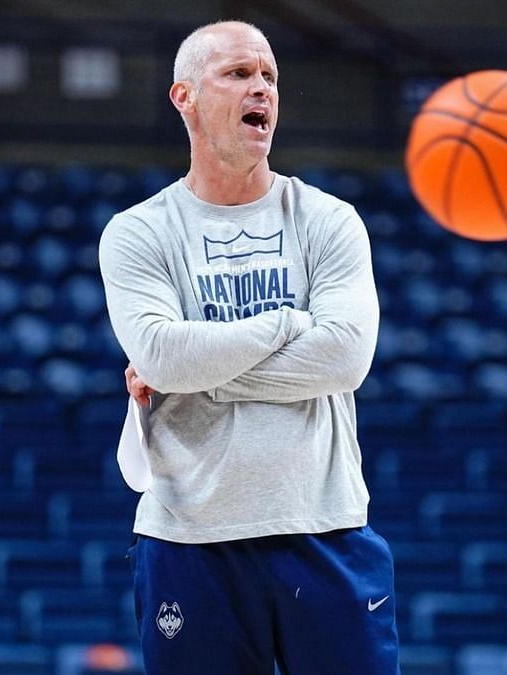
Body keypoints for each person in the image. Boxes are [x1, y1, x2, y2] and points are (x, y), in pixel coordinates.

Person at [98, 21, 397, 673]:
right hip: (190, 542)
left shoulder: (328, 220)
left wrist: (199, 370)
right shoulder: (137, 233)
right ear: (184, 96)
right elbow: (160, 354)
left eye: (269, 77)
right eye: (238, 74)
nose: (261, 87)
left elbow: (346, 357)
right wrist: (286, 324)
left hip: (327, 530)